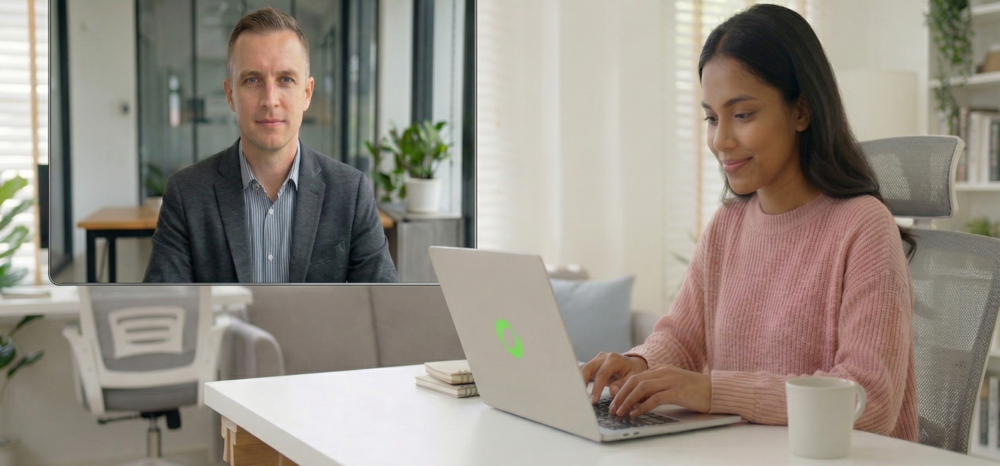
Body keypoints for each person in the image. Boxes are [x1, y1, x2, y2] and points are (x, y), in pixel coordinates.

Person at [581, 4, 918, 441]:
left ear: (801, 111)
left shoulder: (863, 226)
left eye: (742, 115)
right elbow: (682, 337)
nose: (721, 140)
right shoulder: (729, 223)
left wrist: (713, 390)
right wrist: (640, 364)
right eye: (711, 117)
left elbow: (867, 401)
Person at [144, 7, 398, 284]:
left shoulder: (351, 192)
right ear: (230, 95)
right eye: (252, 80)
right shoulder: (186, 193)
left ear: (307, 93)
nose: (270, 99)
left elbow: (385, 310)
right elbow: (166, 310)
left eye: (285, 80)